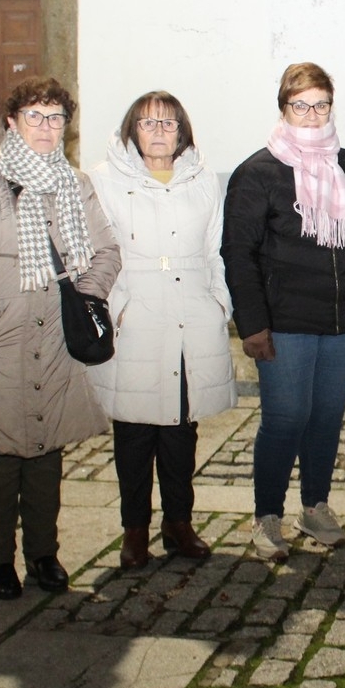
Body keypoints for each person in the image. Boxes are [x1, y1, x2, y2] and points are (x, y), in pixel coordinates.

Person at [0, 77, 121, 600]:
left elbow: (107, 252)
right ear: (12, 122)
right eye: (35, 115)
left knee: (45, 453)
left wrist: (83, 300)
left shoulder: (75, 184)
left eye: (56, 117)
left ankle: (43, 555)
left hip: (54, 340)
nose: (46, 127)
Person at [224, 62, 345, 562]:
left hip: (343, 321)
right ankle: (267, 515)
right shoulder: (257, 173)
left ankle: (315, 507)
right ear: (284, 109)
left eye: (321, 104)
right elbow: (238, 253)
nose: (313, 114)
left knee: (325, 418)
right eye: (302, 105)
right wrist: (252, 324)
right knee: (285, 419)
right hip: (285, 324)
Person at [87, 91, 237, 569]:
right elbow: (95, 252)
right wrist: (119, 308)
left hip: (191, 317)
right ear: (132, 129)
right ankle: (134, 530)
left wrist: (219, 302)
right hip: (136, 318)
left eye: (168, 123)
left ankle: (178, 523)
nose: (158, 132)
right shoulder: (104, 180)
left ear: (182, 132)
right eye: (148, 123)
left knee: (180, 430)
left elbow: (215, 249)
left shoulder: (203, 179)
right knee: (134, 432)